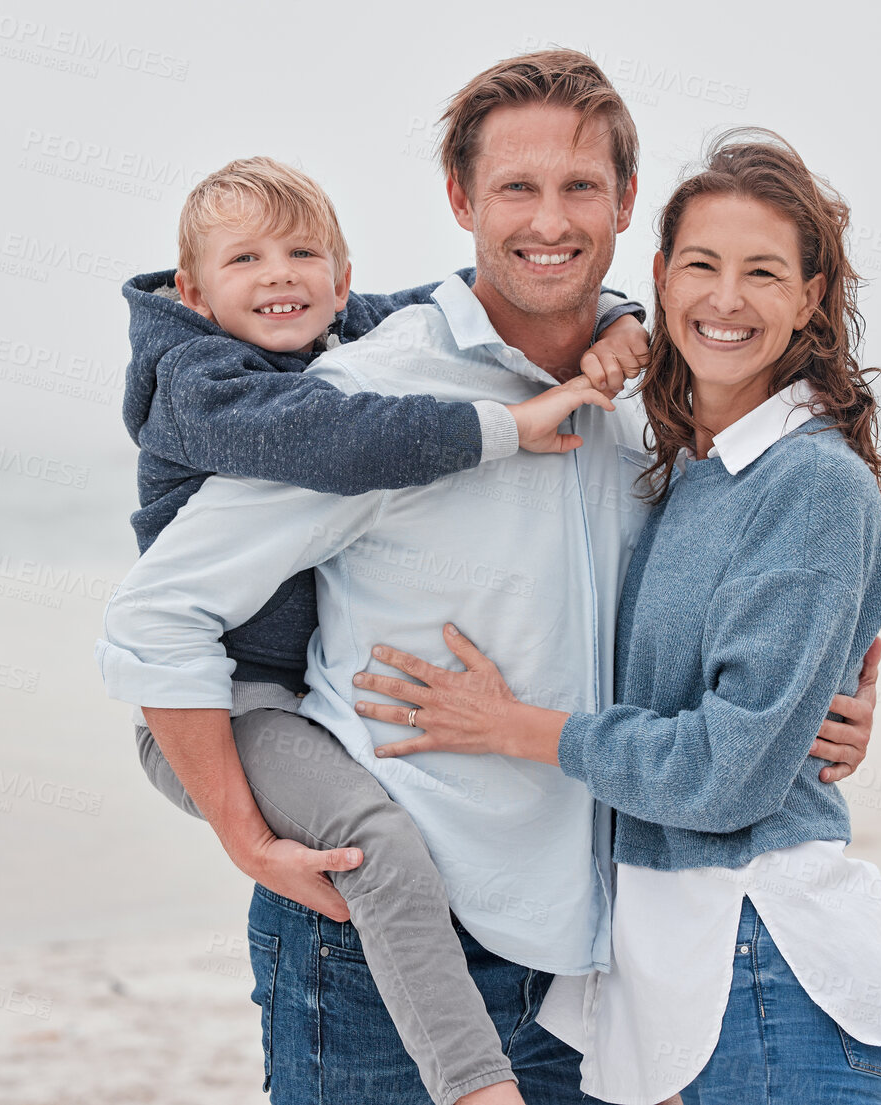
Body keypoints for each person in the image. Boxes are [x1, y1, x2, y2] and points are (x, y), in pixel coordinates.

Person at [98, 53, 881, 1105]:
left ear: (624, 204)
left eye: (578, 187)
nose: (548, 220)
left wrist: (817, 709)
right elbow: (160, 615)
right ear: (462, 199)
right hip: (370, 943)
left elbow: (736, 588)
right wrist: (245, 830)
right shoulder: (376, 396)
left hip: (589, 960)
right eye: (515, 187)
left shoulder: (652, 396)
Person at [358, 130, 881, 1104]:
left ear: (811, 299)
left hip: (760, 961)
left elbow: (726, 774)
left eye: (763, 272)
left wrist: (508, 727)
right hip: (669, 960)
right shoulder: (696, 463)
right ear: (658, 276)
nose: (725, 299)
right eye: (700, 264)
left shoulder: (808, 479)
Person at [114, 153, 651, 1105]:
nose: (279, 274)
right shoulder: (205, 381)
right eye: (246, 260)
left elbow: (462, 301)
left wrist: (617, 315)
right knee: (379, 847)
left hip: (321, 727)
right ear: (193, 295)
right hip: (225, 704)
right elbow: (341, 441)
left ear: (342, 280)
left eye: (303, 252)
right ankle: (474, 1084)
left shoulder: (339, 331)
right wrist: (502, 428)